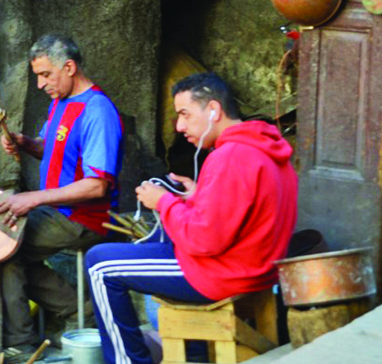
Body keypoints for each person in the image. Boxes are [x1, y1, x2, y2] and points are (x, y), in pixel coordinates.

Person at [85, 72, 297, 364]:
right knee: (153, 245)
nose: (179, 126)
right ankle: (194, 354)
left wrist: (163, 202)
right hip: (258, 268)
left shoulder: (229, 157)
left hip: (223, 274)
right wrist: (196, 195)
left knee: (100, 263)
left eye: (184, 114)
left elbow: (203, 239)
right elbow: (243, 210)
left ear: (213, 110)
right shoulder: (264, 149)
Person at [0, 33, 124, 351]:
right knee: (3, 244)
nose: (40, 84)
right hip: (58, 210)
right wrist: (25, 143)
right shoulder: (60, 102)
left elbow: (97, 184)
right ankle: (78, 309)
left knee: (5, 252)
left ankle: (21, 343)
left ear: (68, 67)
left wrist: (34, 197)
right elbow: (52, 150)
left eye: (45, 75)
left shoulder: (98, 111)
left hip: (85, 217)